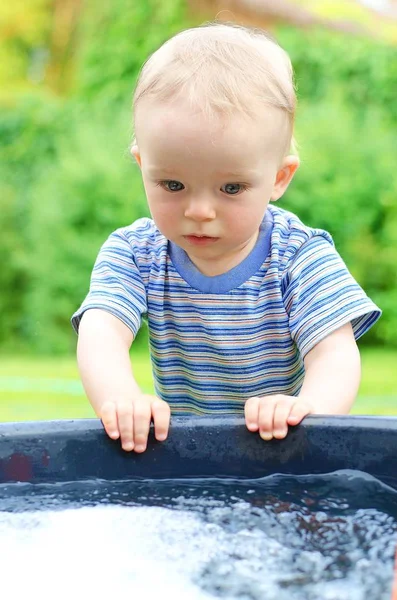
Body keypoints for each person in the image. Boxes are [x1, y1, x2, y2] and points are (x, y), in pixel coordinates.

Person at [71, 22, 381, 453]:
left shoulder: (298, 255)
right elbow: (100, 331)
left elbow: (334, 353)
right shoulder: (135, 253)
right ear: (143, 166)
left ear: (278, 178)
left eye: (231, 188)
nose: (200, 211)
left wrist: (307, 407)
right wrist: (121, 398)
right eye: (172, 185)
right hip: (185, 458)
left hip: (279, 450)